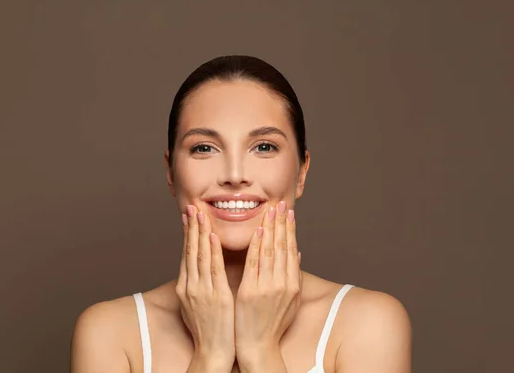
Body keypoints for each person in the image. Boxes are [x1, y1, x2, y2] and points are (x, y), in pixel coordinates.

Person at [70, 55, 412, 373]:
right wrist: (211, 355)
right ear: (171, 172)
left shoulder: (369, 323)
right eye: (204, 148)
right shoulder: (110, 334)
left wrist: (259, 351)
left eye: (264, 147)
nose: (235, 174)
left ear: (302, 172)